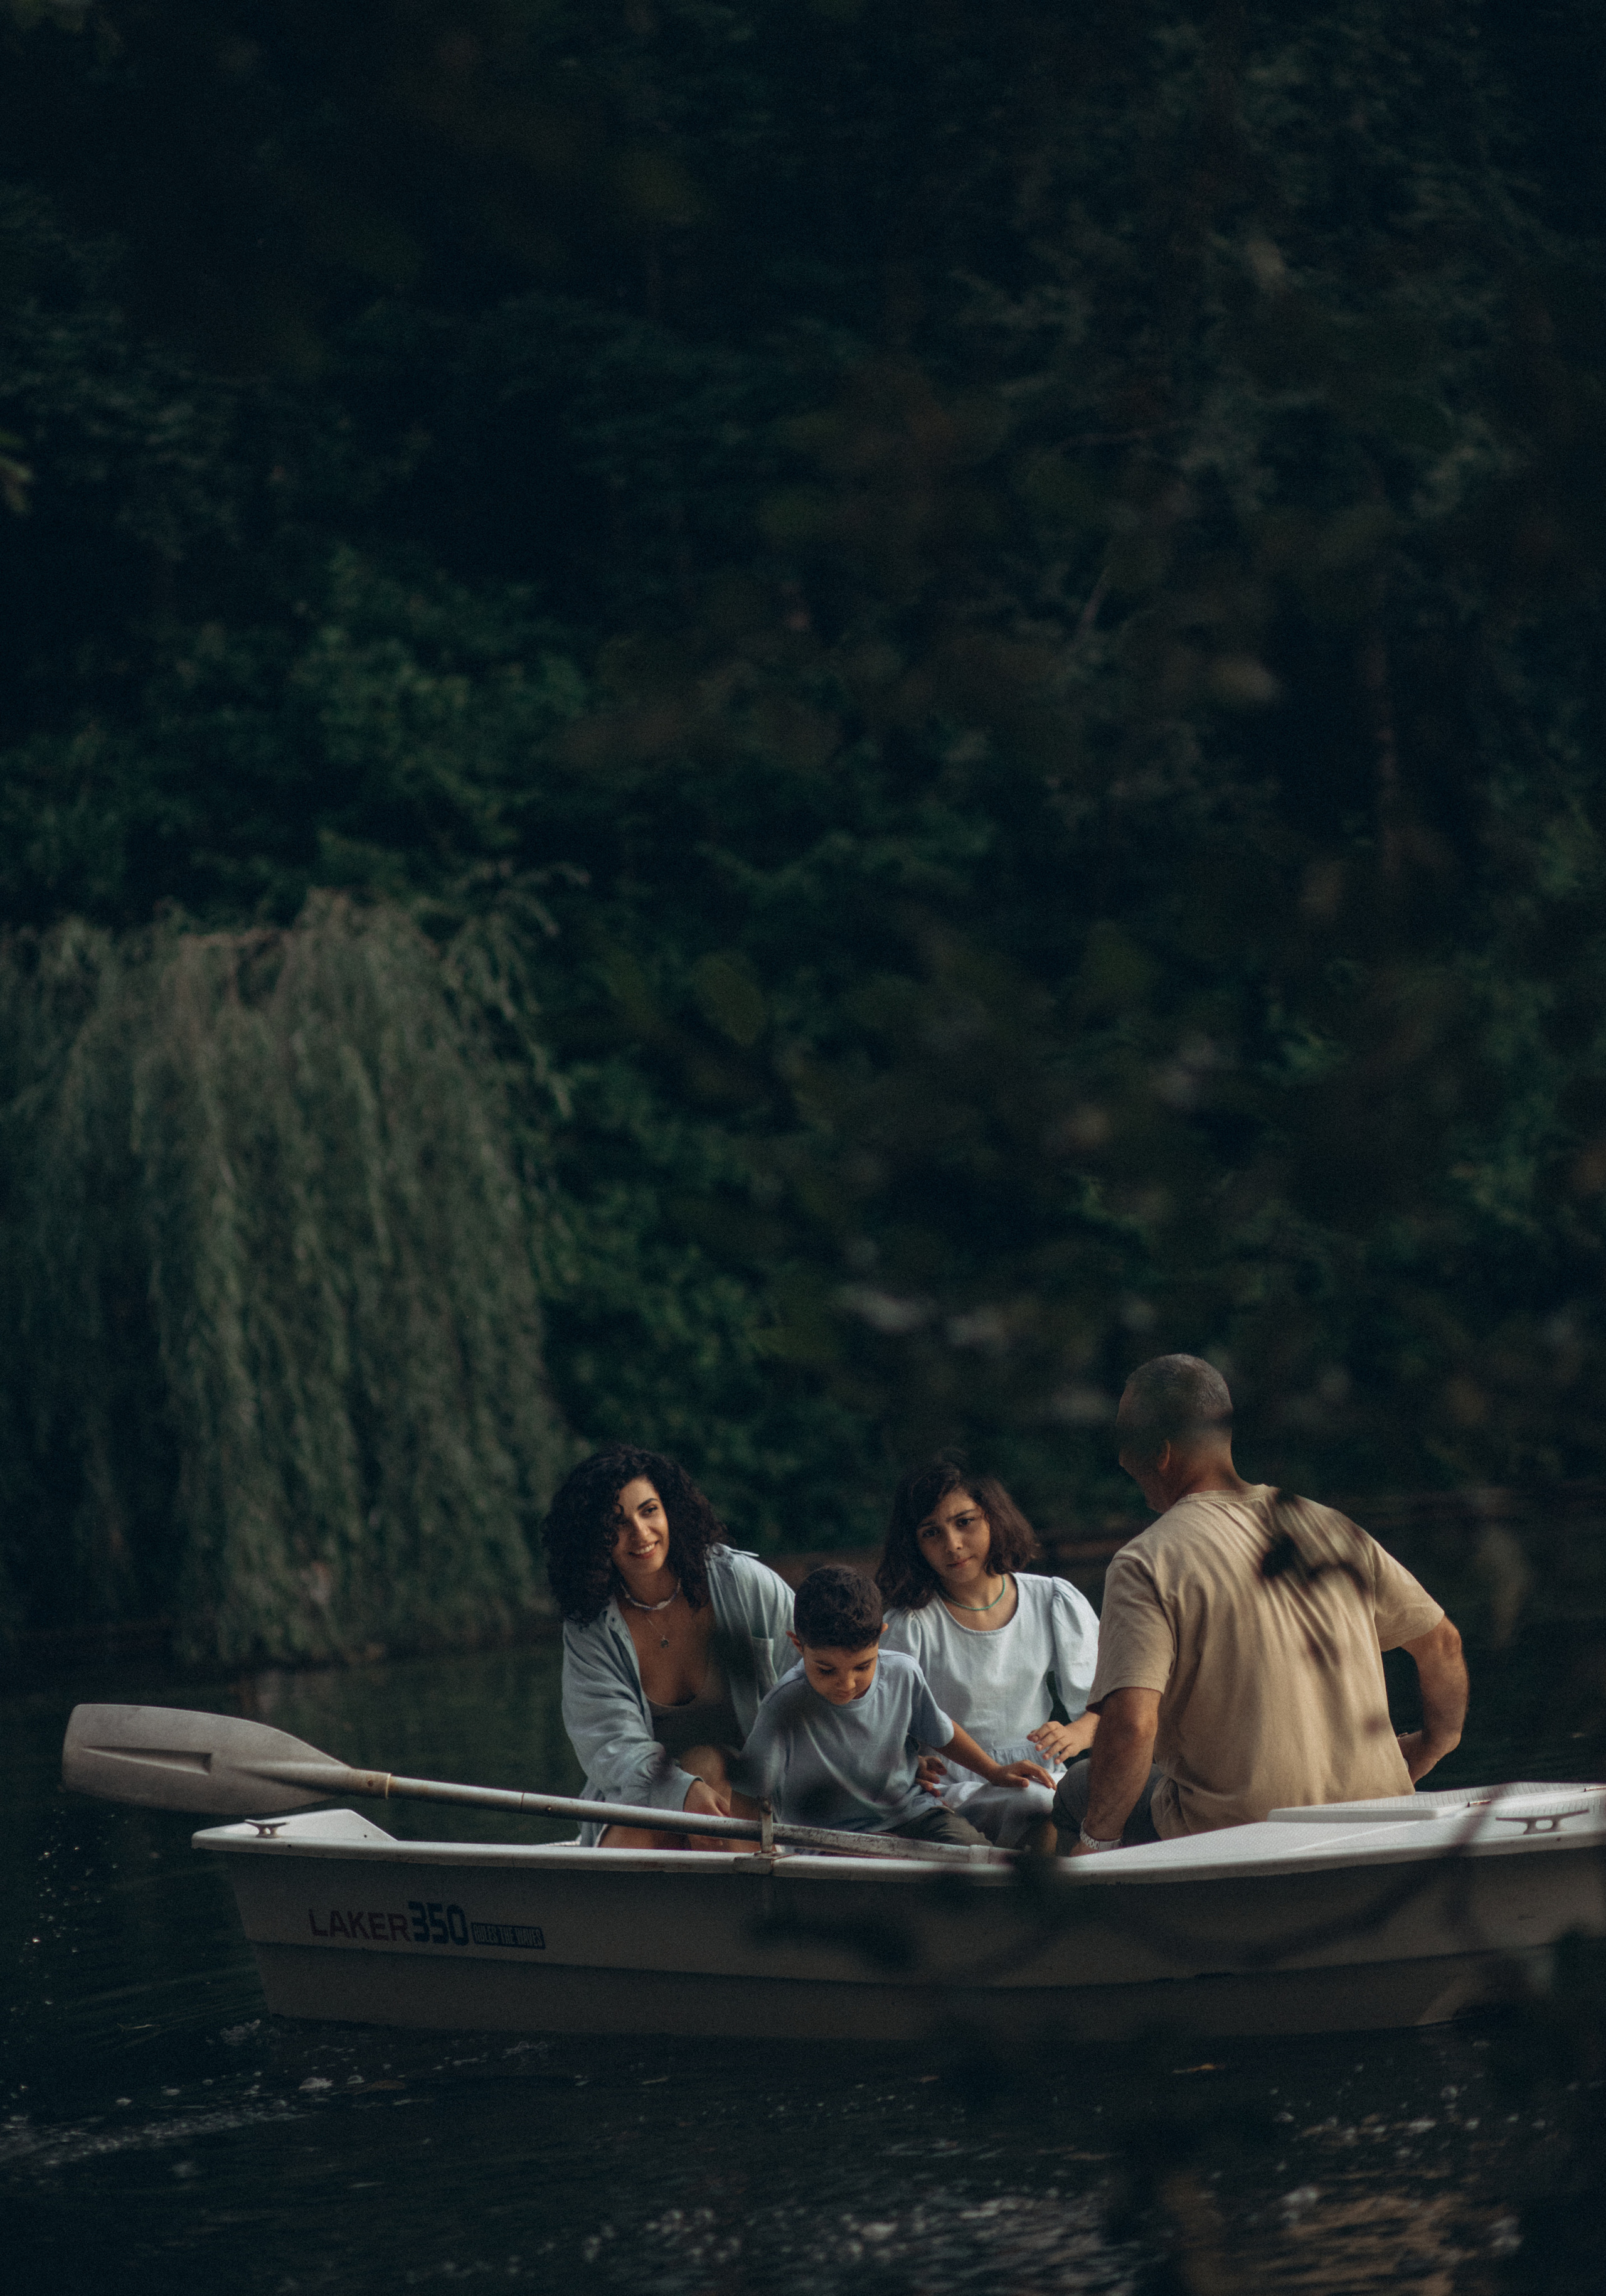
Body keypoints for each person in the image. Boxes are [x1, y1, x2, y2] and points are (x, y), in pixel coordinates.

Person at [1056, 1355, 1468, 1857]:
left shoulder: (1145, 1561)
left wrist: (1096, 1843)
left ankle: (1087, 1923)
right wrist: (1431, 1745)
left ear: (1160, 1453)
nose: (1122, 1459)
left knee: (1075, 1790)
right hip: (1378, 1806)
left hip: (1237, 1832)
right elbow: (1443, 1643)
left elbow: (1132, 1725)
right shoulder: (1333, 1528)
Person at [546, 1445, 795, 1849]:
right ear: (592, 1538)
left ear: (670, 1511)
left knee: (707, 1762)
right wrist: (680, 1792)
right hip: (640, 1797)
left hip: (753, 1797)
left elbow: (826, 1671)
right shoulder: (590, 1624)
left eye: (649, 1511)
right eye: (616, 1523)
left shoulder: (741, 1583)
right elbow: (610, 1743)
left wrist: (894, 1753)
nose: (640, 1534)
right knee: (631, 1838)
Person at [736, 1563, 1055, 1845]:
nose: (846, 1684)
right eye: (826, 1669)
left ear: (881, 1636)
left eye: (862, 1666)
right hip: (829, 1837)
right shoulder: (785, 1703)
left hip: (913, 1814)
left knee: (978, 1861)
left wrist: (994, 1771)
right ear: (798, 1645)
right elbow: (748, 1791)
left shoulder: (903, 1673)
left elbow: (942, 1733)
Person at [878, 1458, 1100, 1847]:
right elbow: (883, 1728)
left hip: (1041, 1773)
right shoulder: (911, 1625)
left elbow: (1107, 1703)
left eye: (965, 1522)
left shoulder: (1050, 1600)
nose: (953, 1545)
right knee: (1036, 1807)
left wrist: (1075, 1734)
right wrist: (909, 1765)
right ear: (914, 1545)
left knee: (1094, 1800)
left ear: (994, 1517)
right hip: (953, 1786)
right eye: (932, 1532)